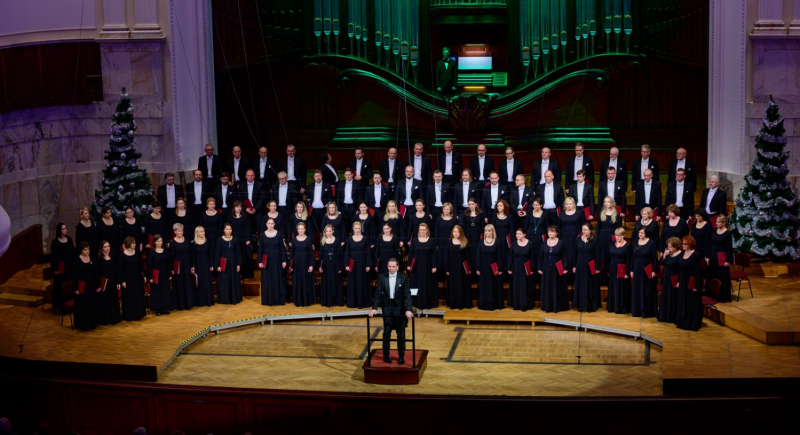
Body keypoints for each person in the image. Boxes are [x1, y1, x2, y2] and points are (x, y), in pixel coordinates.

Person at [369, 258, 414, 365]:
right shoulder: (382, 277)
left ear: (397, 267)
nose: (391, 268)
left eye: (393, 266)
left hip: (399, 308)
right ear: (387, 266)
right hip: (387, 307)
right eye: (389, 266)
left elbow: (407, 295)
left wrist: (408, 310)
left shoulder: (403, 278)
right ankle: (386, 355)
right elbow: (378, 293)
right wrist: (374, 308)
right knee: (387, 332)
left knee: (400, 334)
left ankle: (401, 356)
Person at [676, 235, 704, 331]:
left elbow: (698, 272)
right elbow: (680, 269)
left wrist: (697, 286)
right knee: (683, 301)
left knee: (690, 302)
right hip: (683, 280)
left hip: (691, 281)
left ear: (690, 244)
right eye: (682, 244)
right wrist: (679, 281)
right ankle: (682, 321)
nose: (682, 245)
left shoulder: (695, 255)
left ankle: (691, 323)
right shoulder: (683, 253)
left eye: (685, 244)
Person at [407, 223, 438, 309]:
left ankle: (428, 303)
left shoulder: (432, 240)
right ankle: (416, 302)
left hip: (428, 266)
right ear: (419, 231)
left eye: (424, 230)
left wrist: (434, 266)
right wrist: (409, 264)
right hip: (416, 266)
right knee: (415, 284)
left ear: (427, 230)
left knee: (428, 284)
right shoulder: (414, 240)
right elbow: (411, 253)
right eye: (421, 230)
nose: (422, 231)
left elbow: (434, 254)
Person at [258, 218, 288, 306]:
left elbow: (282, 249)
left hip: (277, 260)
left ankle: (278, 300)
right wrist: (260, 261)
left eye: (272, 223)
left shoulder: (278, 234)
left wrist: (284, 260)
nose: (270, 225)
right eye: (269, 223)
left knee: (277, 279)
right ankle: (268, 300)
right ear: (266, 224)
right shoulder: (262, 235)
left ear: (274, 224)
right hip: (266, 261)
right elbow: (260, 249)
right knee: (267, 280)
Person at [539, 225, 569, 313]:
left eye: (552, 231)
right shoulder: (544, 243)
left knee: (557, 286)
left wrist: (565, 268)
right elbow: (541, 256)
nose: (550, 233)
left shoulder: (561, 243)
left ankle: (557, 306)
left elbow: (565, 256)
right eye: (548, 231)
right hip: (547, 268)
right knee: (547, 286)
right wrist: (540, 268)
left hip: (557, 268)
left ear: (556, 233)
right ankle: (548, 306)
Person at [475, 224, 505, 310]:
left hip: (494, 269)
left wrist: (500, 268)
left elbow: (500, 256)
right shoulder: (481, 242)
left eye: (489, 231)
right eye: (486, 231)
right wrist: (478, 268)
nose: (487, 232)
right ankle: (484, 304)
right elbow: (478, 256)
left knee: (494, 286)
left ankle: (494, 304)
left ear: (492, 232)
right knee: (485, 286)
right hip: (484, 269)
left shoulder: (497, 242)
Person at [573, 223, 602, 312]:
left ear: (590, 230)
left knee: (590, 284)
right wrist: (574, 266)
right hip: (580, 264)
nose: (583, 231)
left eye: (585, 230)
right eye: (582, 229)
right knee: (580, 284)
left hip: (590, 264)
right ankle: (581, 305)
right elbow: (574, 254)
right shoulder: (578, 239)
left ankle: (590, 305)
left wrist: (597, 267)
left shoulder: (594, 240)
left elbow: (597, 254)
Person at [631, 226, 658, 318]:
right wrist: (631, 270)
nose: (640, 234)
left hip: (647, 268)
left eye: (642, 233)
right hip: (637, 268)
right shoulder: (635, 242)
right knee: (637, 289)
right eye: (639, 233)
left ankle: (646, 311)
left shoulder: (651, 243)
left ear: (646, 233)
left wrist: (654, 270)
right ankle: (637, 310)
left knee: (646, 289)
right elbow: (632, 257)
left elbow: (654, 257)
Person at [345, 221, 372, 308]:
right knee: (353, 283)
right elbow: (347, 253)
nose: (357, 230)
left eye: (358, 228)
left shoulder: (365, 239)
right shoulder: (349, 239)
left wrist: (368, 265)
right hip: (352, 265)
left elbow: (368, 252)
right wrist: (346, 264)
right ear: (353, 229)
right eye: (355, 228)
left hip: (362, 264)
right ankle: (353, 303)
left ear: (361, 229)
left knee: (362, 283)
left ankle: (362, 303)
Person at [94, 240, 122, 325]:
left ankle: (114, 318)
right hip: (104, 283)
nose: (107, 248)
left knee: (113, 300)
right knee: (105, 301)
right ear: (102, 248)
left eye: (108, 246)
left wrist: (118, 282)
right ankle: (106, 319)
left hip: (113, 282)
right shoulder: (99, 259)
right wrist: (98, 285)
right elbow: (97, 273)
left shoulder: (113, 257)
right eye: (105, 247)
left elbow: (116, 271)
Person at [707, 214, 734, 302]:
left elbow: (729, 248)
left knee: (722, 277)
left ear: (724, 223)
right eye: (716, 222)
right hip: (713, 257)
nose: (717, 224)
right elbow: (710, 245)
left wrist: (728, 260)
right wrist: (708, 257)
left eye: (718, 222)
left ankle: (722, 297)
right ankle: (714, 295)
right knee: (713, 275)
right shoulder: (714, 231)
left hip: (722, 258)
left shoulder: (727, 233)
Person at [71, 242, 98, 330]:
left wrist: (98, 285)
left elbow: (95, 273)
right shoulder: (77, 261)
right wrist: (75, 288)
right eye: (85, 250)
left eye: (88, 249)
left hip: (91, 285)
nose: (87, 251)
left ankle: (92, 323)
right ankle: (83, 324)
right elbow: (74, 276)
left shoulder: (92, 258)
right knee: (84, 305)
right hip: (82, 286)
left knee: (91, 304)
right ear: (81, 250)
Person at [596, 196, 623, 284]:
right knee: (602, 256)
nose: (607, 203)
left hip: (612, 238)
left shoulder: (616, 214)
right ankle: (602, 278)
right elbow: (598, 228)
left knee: (610, 256)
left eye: (609, 202)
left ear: (612, 203)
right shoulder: (601, 213)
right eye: (605, 202)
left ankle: (611, 278)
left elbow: (619, 228)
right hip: (602, 238)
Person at [444, 225, 471, 309]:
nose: (456, 233)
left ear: (460, 233)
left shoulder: (464, 242)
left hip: (462, 268)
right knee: (453, 286)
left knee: (462, 285)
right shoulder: (449, 242)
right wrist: (447, 269)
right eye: (454, 232)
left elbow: (468, 256)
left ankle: (462, 304)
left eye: (457, 232)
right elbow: (446, 256)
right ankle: (453, 303)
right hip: (452, 268)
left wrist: (469, 268)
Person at [120, 236, 147, 321]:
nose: (135, 244)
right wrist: (123, 281)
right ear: (128, 244)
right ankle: (130, 315)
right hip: (128, 279)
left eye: (135, 243)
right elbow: (121, 270)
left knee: (137, 295)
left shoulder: (138, 253)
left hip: (137, 277)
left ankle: (138, 314)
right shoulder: (122, 256)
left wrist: (144, 275)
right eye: (133, 243)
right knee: (129, 297)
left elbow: (141, 266)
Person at [508, 227, 534, 311]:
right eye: (516, 234)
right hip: (516, 268)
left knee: (525, 286)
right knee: (516, 286)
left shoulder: (530, 243)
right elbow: (511, 257)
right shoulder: (514, 244)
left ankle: (525, 305)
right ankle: (516, 304)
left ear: (524, 234)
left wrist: (532, 269)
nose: (517, 235)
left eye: (519, 234)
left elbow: (532, 257)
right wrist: (510, 268)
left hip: (526, 268)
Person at [606, 227, 632, 314]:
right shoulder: (611, 244)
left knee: (621, 289)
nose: (617, 237)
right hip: (613, 268)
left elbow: (629, 260)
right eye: (616, 235)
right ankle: (613, 306)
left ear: (623, 235)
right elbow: (608, 257)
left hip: (622, 270)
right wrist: (608, 269)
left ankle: (621, 307)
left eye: (619, 236)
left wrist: (627, 272)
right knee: (613, 287)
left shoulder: (627, 246)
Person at [289, 221, 315, 306]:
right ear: (297, 229)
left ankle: (306, 300)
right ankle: (298, 300)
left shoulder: (308, 239)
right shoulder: (294, 239)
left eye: (302, 229)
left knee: (305, 281)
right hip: (296, 263)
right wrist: (291, 265)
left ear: (305, 229)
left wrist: (311, 265)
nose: (300, 230)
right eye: (299, 229)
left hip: (305, 262)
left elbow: (311, 253)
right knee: (297, 281)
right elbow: (292, 253)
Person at [215, 223, 243, 305]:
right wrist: (217, 265)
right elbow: (217, 253)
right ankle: (225, 299)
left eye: (230, 229)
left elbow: (238, 252)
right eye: (227, 229)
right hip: (224, 263)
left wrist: (238, 264)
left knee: (234, 280)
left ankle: (234, 298)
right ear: (224, 230)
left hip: (233, 262)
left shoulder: (235, 239)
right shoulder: (219, 240)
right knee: (225, 280)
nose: (229, 231)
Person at [50, 222, 75, 310]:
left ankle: (69, 303)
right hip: (60, 267)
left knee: (69, 284)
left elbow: (72, 252)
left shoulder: (70, 239)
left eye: (66, 228)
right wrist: (55, 269)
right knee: (60, 285)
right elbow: (53, 257)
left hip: (69, 266)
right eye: (63, 229)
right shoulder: (55, 242)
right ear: (59, 231)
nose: (65, 230)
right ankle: (60, 304)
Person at [658, 237, 683, 323]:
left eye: (669, 246)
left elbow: (681, 270)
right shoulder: (669, 254)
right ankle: (664, 315)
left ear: (675, 247)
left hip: (674, 279)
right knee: (666, 296)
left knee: (672, 297)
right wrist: (664, 255)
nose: (668, 248)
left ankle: (672, 316)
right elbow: (660, 263)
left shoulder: (681, 255)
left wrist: (679, 281)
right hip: (666, 279)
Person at [460, 198, 486, 281]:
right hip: (468, 239)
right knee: (469, 256)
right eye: (469, 204)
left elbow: (483, 228)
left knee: (477, 257)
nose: (471, 206)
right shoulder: (465, 214)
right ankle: (471, 277)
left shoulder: (481, 214)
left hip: (478, 239)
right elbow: (463, 227)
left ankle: (478, 277)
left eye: (472, 204)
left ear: (476, 204)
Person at [170, 223, 194, 310]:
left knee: (187, 284)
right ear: (175, 232)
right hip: (178, 266)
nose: (180, 232)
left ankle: (188, 304)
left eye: (182, 231)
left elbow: (191, 254)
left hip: (187, 265)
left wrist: (192, 266)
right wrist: (172, 268)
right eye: (179, 231)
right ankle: (181, 305)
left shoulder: (187, 241)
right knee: (179, 285)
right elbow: (171, 256)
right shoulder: (172, 243)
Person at [318, 225, 344, 307]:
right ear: (325, 232)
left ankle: (335, 301)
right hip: (326, 266)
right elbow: (320, 255)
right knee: (327, 283)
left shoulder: (337, 241)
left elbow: (340, 255)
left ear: (333, 231)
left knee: (336, 282)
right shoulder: (322, 241)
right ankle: (327, 301)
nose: (328, 233)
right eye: (327, 231)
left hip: (335, 265)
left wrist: (340, 267)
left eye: (330, 231)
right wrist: (320, 266)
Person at [147, 234, 171, 316]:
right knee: (157, 292)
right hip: (156, 275)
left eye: (161, 241)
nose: (160, 242)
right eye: (158, 241)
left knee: (165, 290)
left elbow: (168, 263)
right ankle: (158, 309)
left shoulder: (165, 250)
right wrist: (150, 277)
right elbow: (150, 265)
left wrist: (169, 274)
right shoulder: (151, 252)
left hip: (164, 273)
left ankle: (165, 308)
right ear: (154, 242)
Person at [229, 201, 254, 280]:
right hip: (234, 238)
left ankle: (245, 273)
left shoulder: (245, 216)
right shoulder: (230, 216)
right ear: (234, 208)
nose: (238, 208)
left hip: (243, 238)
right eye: (237, 207)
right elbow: (228, 228)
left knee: (244, 255)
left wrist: (248, 239)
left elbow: (248, 228)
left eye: (240, 207)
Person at [558, 197, 584, 270]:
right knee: (566, 254)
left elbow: (584, 226)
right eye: (567, 204)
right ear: (564, 205)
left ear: (574, 204)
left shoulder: (579, 213)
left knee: (575, 253)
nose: (568, 205)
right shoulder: (562, 214)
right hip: (564, 238)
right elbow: (559, 227)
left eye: (570, 204)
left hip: (576, 237)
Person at [270, 171, 299, 236]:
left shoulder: (292, 187)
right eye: (280, 179)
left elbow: (295, 201)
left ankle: (288, 243)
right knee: (278, 227)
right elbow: (272, 200)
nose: (281, 180)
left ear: (286, 178)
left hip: (288, 211)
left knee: (288, 228)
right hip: (277, 210)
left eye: (283, 178)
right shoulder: (274, 187)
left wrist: (294, 213)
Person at [192, 226, 215, 307]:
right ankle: (200, 301)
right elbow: (193, 256)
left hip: (206, 264)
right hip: (198, 266)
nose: (203, 233)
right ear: (197, 233)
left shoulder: (207, 242)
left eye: (203, 231)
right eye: (201, 231)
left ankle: (208, 300)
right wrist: (193, 266)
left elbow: (210, 254)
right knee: (200, 283)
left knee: (207, 282)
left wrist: (211, 265)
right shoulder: (194, 244)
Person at [434, 203, 458, 282]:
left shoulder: (454, 219)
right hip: (441, 243)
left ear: (450, 210)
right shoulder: (438, 219)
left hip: (451, 242)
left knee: (449, 259)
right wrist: (436, 243)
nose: (446, 211)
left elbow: (456, 231)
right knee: (441, 261)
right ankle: (441, 279)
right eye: (445, 209)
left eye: (448, 209)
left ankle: (449, 278)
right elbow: (436, 232)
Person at [239, 169, 266, 237]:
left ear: (254, 176)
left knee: (260, 230)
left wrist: (255, 209)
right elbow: (240, 199)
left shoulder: (260, 184)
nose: (250, 177)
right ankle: (253, 247)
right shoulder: (242, 185)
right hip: (247, 212)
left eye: (252, 175)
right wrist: (245, 209)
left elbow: (262, 198)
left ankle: (261, 247)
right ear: (246, 176)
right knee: (250, 231)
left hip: (257, 211)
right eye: (249, 175)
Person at [306, 170, 333, 237]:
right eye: (316, 176)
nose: (318, 177)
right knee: (314, 229)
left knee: (323, 228)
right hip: (313, 211)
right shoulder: (310, 186)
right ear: (314, 177)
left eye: (319, 176)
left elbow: (330, 199)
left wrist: (329, 211)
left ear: (322, 176)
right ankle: (315, 244)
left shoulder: (327, 185)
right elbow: (307, 199)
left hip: (323, 211)